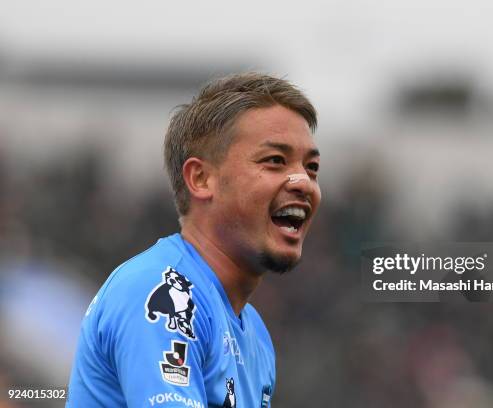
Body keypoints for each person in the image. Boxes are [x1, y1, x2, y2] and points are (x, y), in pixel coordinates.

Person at [67, 73, 321, 407]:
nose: (302, 181)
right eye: (274, 160)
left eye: (312, 167)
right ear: (201, 179)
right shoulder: (155, 290)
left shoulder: (255, 335)